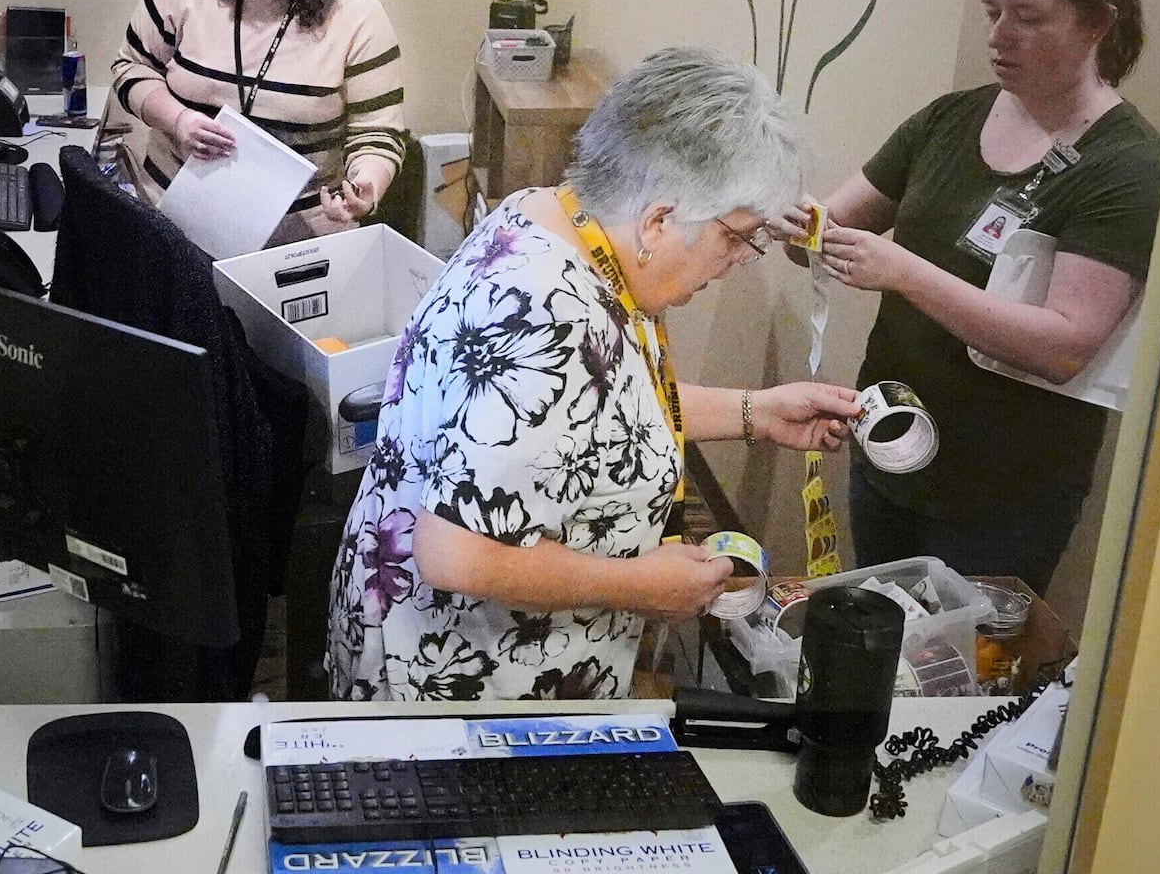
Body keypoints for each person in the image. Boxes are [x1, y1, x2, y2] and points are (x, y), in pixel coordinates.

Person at [326, 47, 863, 701]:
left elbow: (599, 405)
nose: (738, 260)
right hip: (459, 681)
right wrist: (642, 584)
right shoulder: (538, 316)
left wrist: (756, 411)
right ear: (660, 220)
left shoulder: (563, 216)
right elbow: (457, 553)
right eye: (736, 237)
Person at [807, 0, 1160, 596]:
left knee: (956, 682)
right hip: (892, 443)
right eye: (992, 12)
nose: (999, 37)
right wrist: (785, 225)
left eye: (1028, 18)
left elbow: (1064, 347)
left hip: (1005, 490)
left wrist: (905, 273)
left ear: (1096, 24)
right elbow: (831, 228)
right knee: (874, 647)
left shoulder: (1128, 167)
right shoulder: (951, 118)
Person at [100, 0, 407, 231]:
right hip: (173, 216)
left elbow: (377, 133)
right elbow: (131, 66)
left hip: (297, 232)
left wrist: (365, 187)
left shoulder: (356, 11)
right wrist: (178, 120)